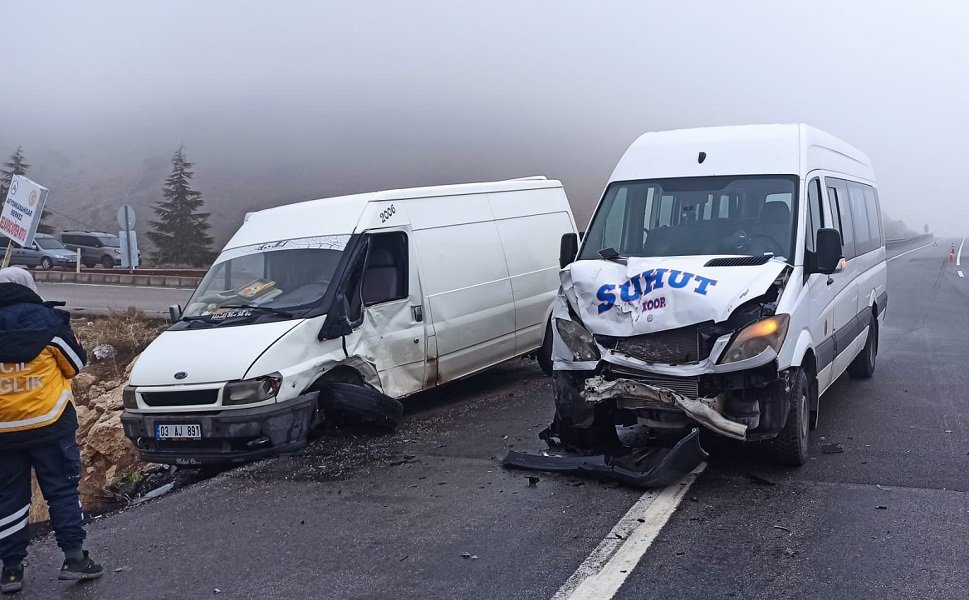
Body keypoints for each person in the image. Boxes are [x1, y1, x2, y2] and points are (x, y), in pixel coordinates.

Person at [0, 267, 102, 593]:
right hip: (50, 421)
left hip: (3, 429)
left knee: (9, 498)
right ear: (29, 286)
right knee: (60, 491)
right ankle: (75, 558)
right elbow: (74, 365)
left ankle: (12, 570)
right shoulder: (50, 321)